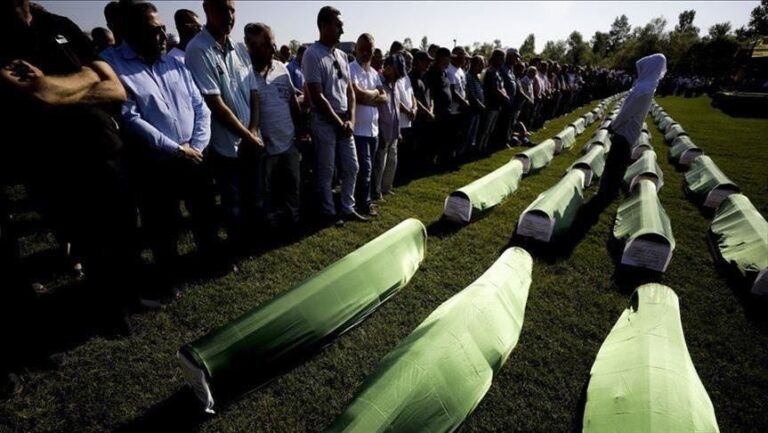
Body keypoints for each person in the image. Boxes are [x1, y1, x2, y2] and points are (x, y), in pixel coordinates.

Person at [0, 0, 149, 333]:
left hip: (105, 146)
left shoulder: (59, 23)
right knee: (88, 239)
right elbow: (38, 93)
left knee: (124, 229)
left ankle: (128, 295)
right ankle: (109, 311)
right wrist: (86, 76)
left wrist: (55, 86)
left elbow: (116, 89)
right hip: (56, 161)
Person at [106, 2, 219, 282]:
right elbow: (130, 118)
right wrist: (177, 150)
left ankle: (211, 261)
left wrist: (196, 146)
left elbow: (200, 107)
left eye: (163, 29)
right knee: (163, 224)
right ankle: (170, 276)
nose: (163, 36)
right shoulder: (113, 65)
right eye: (154, 30)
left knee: (204, 213)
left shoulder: (175, 62)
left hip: (195, 155)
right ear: (132, 32)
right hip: (155, 163)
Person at [185, 0, 262, 247]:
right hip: (225, 145)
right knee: (232, 201)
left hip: (250, 140)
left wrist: (253, 131)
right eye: (222, 9)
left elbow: (254, 93)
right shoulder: (198, 49)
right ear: (207, 9)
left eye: (232, 10)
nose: (229, 16)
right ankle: (234, 247)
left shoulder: (239, 48)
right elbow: (214, 104)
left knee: (251, 195)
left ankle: (248, 240)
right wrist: (247, 136)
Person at [302, 6, 367, 226]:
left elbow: (350, 91)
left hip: (344, 121)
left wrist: (351, 120)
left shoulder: (342, 55)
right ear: (324, 26)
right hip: (324, 122)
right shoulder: (312, 54)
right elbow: (317, 95)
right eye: (338, 25)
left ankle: (348, 207)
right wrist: (340, 123)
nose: (342, 30)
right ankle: (328, 212)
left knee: (352, 166)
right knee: (327, 169)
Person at [244, 23, 302, 228]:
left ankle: (292, 218)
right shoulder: (243, 74)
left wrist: (300, 131)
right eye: (268, 45)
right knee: (264, 191)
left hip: (288, 142)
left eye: (273, 44)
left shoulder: (281, 68)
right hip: (264, 147)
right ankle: (268, 223)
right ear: (251, 46)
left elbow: (292, 100)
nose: (273, 49)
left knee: (292, 185)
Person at [599, 53, 667, 204]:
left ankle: (607, 191)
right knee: (620, 161)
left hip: (625, 130)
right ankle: (612, 190)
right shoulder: (649, 87)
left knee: (614, 162)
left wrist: (613, 126)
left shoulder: (643, 89)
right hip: (632, 130)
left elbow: (626, 112)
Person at [350, 33, 387, 216]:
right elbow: (358, 95)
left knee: (369, 168)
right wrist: (375, 94)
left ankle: (364, 198)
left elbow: (385, 98)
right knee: (364, 168)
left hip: (373, 130)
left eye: (369, 49)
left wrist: (369, 95)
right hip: (358, 130)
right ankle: (363, 203)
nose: (365, 53)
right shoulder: (351, 69)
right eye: (362, 49)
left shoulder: (373, 73)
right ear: (356, 49)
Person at [371, 54, 405, 201]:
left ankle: (386, 187)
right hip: (382, 130)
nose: (398, 77)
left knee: (392, 160)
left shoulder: (394, 83)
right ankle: (376, 191)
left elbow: (395, 107)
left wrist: (398, 130)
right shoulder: (378, 81)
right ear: (389, 68)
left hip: (394, 130)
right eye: (396, 73)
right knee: (380, 162)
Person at [478, 49, 507, 154]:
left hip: (496, 105)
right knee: (485, 128)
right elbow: (494, 89)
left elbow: (501, 86)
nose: (503, 61)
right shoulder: (490, 72)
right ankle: (479, 148)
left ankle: (484, 146)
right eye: (501, 58)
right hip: (490, 104)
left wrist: (504, 94)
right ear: (495, 58)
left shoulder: (497, 72)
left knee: (490, 129)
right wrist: (504, 96)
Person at [462, 55, 485, 156]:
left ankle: (468, 152)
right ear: (475, 65)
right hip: (471, 110)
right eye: (481, 65)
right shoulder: (468, 76)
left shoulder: (477, 77)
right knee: (467, 134)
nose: (483, 67)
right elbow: (471, 94)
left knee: (473, 134)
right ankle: (462, 154)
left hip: (477, 111)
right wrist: (480, 105)